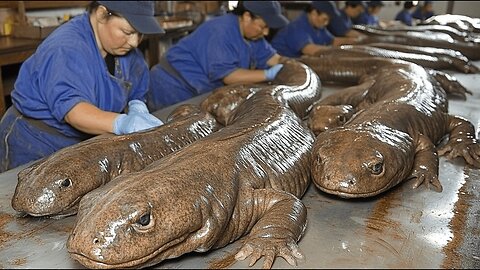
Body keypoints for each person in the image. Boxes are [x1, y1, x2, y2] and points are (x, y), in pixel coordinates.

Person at [0, 1, 165, 172]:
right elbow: (75, 112)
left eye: (140, 34)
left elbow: (137, 86)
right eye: (127, 32)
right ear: (102, 14)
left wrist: (137, 107)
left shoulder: (125, 51)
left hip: (79, 143)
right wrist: (122, 123)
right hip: (35, 142)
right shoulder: (66, 48)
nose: (134, 42)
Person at [147, 1, 289, 111]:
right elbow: (230, 76)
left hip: (196, 89)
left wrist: (290, 64)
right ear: (247, 17)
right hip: (172, 86)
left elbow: (273, 58)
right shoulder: (221, 31)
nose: (265, 32)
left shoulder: (254, 37)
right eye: (263, 26)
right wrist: (267, 74)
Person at [270, 1, 359, 58]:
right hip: (279, 66)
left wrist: (355, 42)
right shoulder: (297, 26)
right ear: (314, 13)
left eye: (328, 20)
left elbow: (332, 41)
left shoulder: (318, 26)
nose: (326, 23)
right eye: (325, 19)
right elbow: (311, 50)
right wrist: (345, 51)